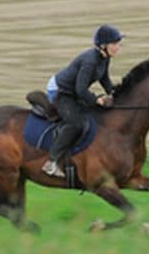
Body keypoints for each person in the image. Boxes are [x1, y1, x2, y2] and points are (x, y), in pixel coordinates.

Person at [42, 24, 124, 178]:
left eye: (118, 43)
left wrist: (114, 94)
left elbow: (104, 78)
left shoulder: (104, 58)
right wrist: (96, 100)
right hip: (61, 91)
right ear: (104, 46)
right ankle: (51, 161)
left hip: (74, 91)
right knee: (76, 123)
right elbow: (80, 90)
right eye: (115, 44)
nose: (118, 47)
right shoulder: (90, 61)